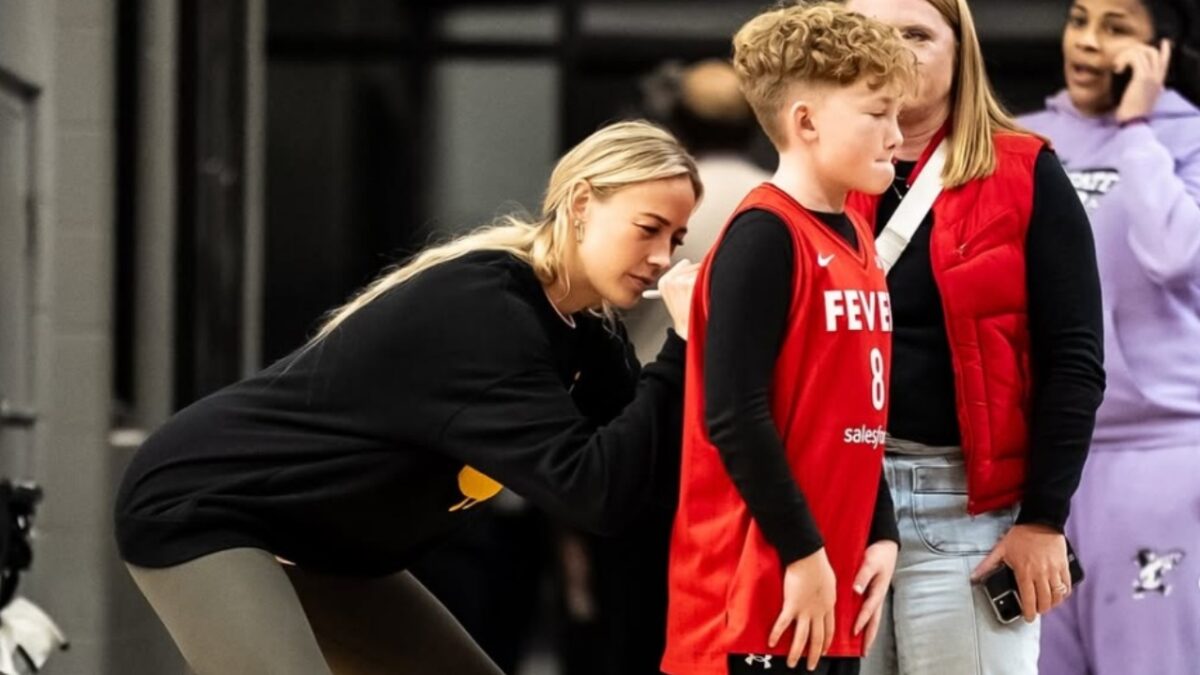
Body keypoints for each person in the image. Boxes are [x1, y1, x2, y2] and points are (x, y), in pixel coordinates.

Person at [112, 120, 702, 675]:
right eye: (647, 229)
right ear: (580, 205)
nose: (662, 258)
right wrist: (678, 343)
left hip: (331, 545)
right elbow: (590, 491)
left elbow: (638, 476)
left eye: (676, 238)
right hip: (207, 505)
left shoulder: (587, 336)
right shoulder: (487, 313)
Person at [837, 1, 1108, 673]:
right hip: (838, 500)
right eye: (872, 35)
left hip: (970, 510)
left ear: (962, 51)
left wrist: (1042, 518)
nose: (894, 51)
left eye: (917, 35)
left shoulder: (1025, 170)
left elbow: (1074, 359)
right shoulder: (819, 177)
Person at [662, 5, 917, 674]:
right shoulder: (764, 237)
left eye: (898, 114)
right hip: (755, 590)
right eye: (877, 113)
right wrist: (803, 551)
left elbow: (855, 412)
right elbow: (733, 414)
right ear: (806, 122)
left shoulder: (857, 233)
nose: (896, 135)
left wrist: (880, 529)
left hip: (827, 575)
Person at [1019, 1, 1200, 673]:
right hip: (1040, 459)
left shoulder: (1188, 138)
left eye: (1116, 27)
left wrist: (1136, 127)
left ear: (1161, 49)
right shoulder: (1021, 139)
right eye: (1078, 20)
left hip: (1158, 451)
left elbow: (1173, 253)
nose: (1089, 42)